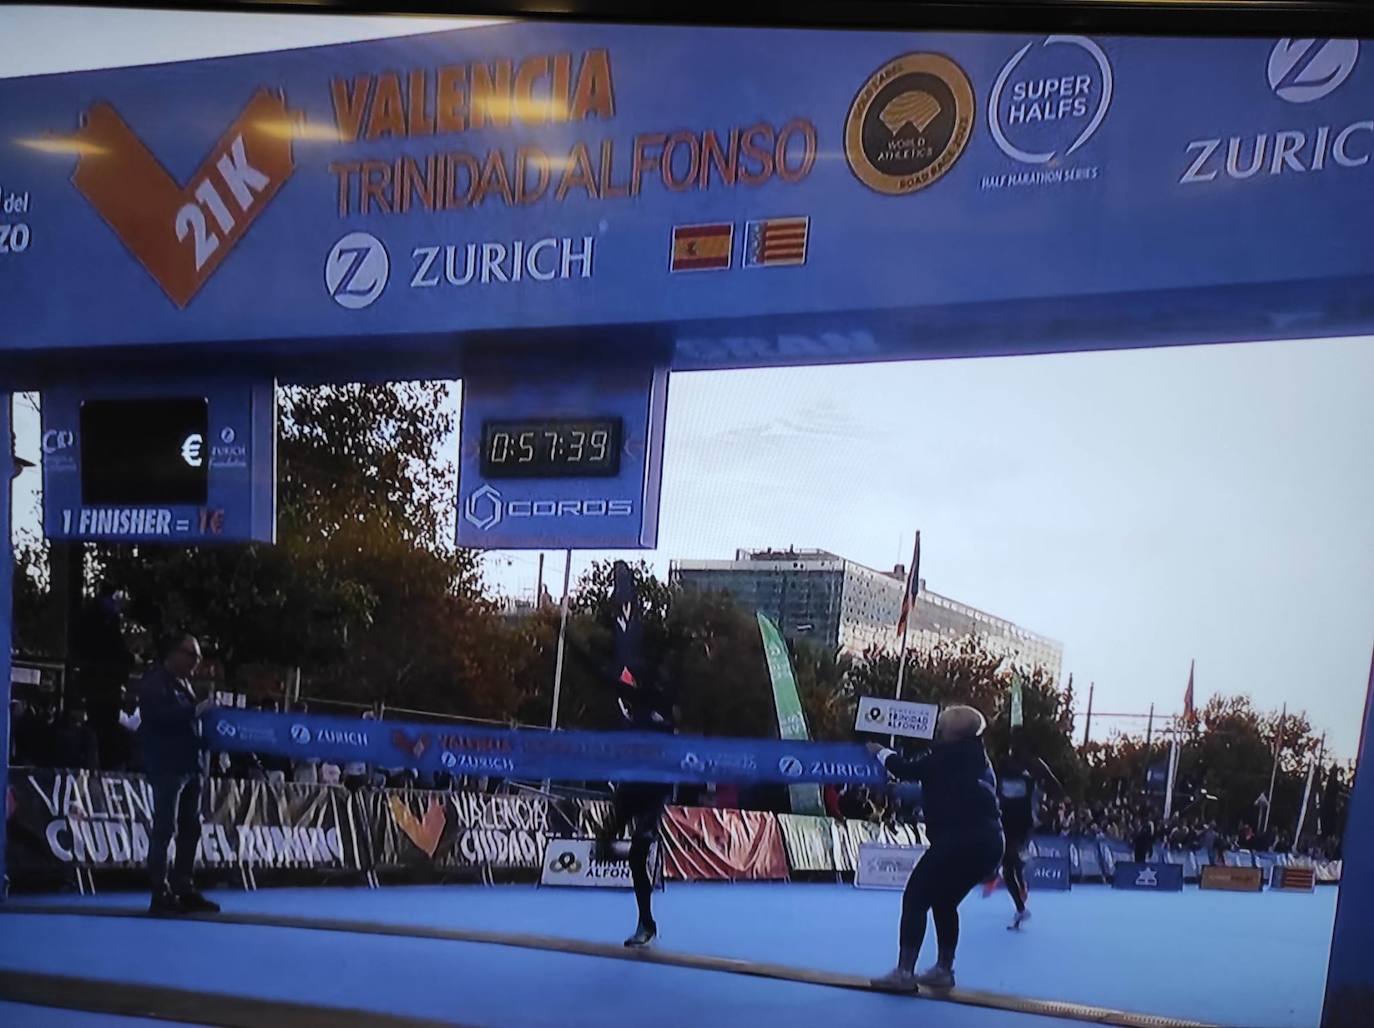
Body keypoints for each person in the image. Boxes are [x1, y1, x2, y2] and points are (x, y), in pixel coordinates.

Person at [570, 560, 679, 949]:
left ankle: (646, 922)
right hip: (634, 783)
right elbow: (603, 678)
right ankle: (626, 853)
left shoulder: (668, 707)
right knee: (605, 845)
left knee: (637, 852)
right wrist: (569, 641)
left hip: (655, 788)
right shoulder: (639, 697)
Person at [867, 705, 1004, 993]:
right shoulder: (978, 759)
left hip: (959, 839)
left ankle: (904, 973)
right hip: (990, 842)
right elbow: (941, 786)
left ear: (951, 733)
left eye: (941, 727)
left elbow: (905, 769)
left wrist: (879, 751)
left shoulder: (946, 756)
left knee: (916, 897)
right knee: (944, 901)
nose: (937, 732)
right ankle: (944, 969)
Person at [138, 633, 220, 916]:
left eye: (198, 657)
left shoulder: (185, 685)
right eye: (191, 655)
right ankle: (160, 893)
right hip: (167, 766)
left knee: (190, 830)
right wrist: (194, 711)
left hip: (191, 765)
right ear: (174, 653)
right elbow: (159, 718)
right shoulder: (154, 683)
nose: (196, 662)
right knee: (165, 830)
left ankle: (183, 887)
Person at [997, 731, 1063, 930]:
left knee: (1009, 865)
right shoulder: (1003, 763)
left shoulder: (1034, 765)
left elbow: (1057, 789)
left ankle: (1020, 906)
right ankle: (1021, 894)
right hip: (1006, 820)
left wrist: (1048, 812)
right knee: (1009, 868)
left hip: (1023, 821)